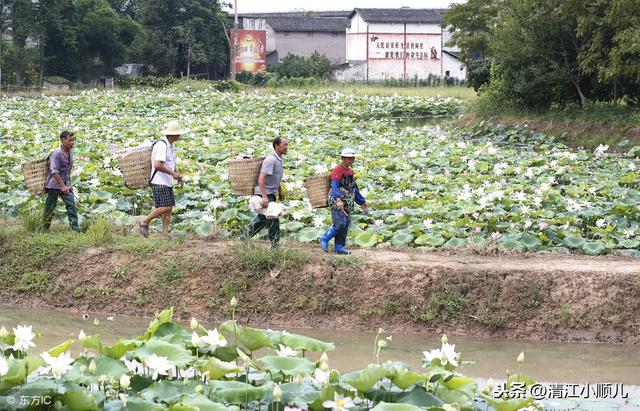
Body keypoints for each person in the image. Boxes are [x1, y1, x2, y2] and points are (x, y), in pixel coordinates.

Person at [139, 120, 185, 237]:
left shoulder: (170, 146)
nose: (180, 135)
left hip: (167, 181)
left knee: (168, 209)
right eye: (178, 133)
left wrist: (178, 175)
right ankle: (145, 221)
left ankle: (164, 232)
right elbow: (157, 165)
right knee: (166, 206)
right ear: (172, 135)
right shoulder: (162, 145)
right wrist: (173, 174)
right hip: (159, 181)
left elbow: (171, 163)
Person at [320, 148, 369, 254]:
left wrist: (362, 201)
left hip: (347, 201)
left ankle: (339, 246)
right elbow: (335, 185)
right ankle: (324, 238)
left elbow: (353, 188)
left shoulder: (350, 172)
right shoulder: (338, 170)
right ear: (343, 158)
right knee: (339, 224)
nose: (350, 161)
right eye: (348, 158)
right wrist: (338, 199)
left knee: (346, 223)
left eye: (352, 158)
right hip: (337, 200)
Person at [243, 136, 288, 249]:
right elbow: (261, 178)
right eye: (284, 145)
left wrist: (280, 190)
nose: (286, 147)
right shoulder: (271, 159)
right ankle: (275, 244)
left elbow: (275, 177)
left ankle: (245, 235)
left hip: (270, 193)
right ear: (276, 146)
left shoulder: (278, 159)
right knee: (273, 217)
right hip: (265, 193)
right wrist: (264, 197)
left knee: (263, 219)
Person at [43, 131, 79, 232]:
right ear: (63, 141)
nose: (72, 142)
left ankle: (75, 229)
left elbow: (67, 170)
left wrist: (67, 185)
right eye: (70, 140)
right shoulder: (56, 154)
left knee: (71, 205)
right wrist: (63, 186)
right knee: (50, 208)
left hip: (66, 184)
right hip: (54, 185)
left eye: (73, 140)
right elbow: (54, 172)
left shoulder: (70, 151)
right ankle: (45, 229)